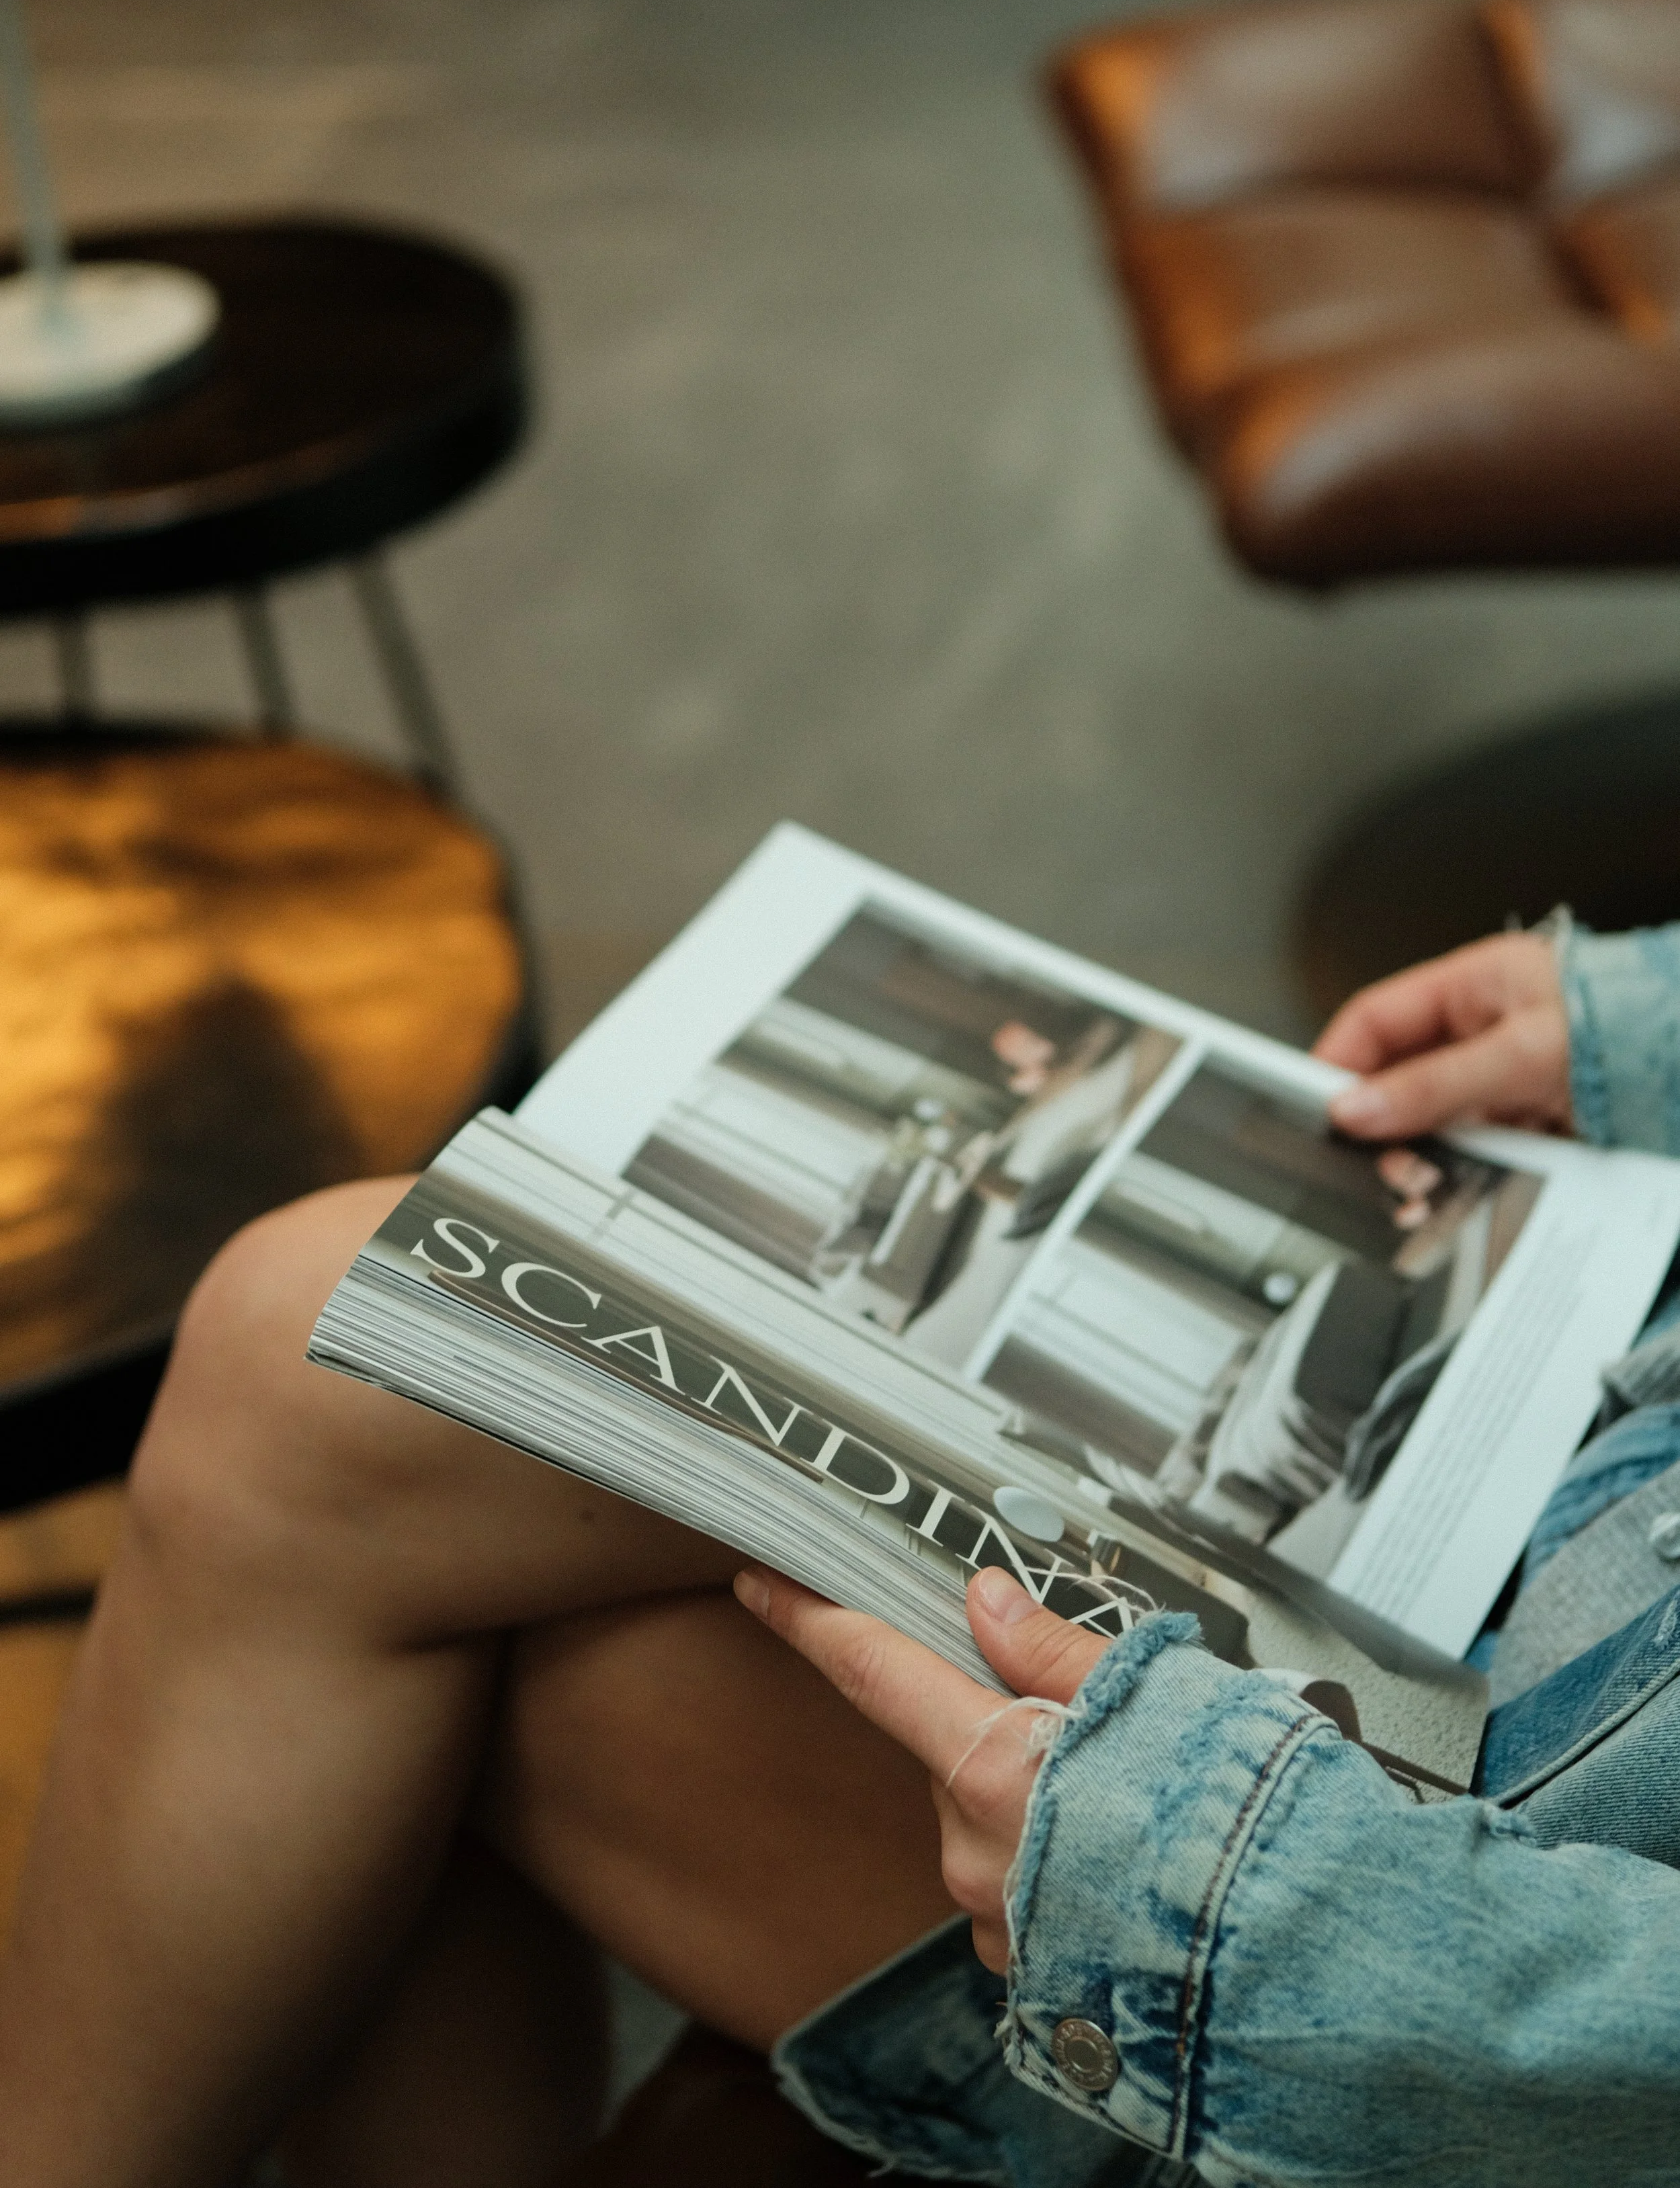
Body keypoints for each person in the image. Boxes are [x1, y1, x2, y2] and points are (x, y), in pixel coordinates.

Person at [5, 918, 1680, 2188]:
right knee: (372, 1413)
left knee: (348, 1431)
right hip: (1576, 1497)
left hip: (1456, 1951)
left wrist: (1259, 1897)